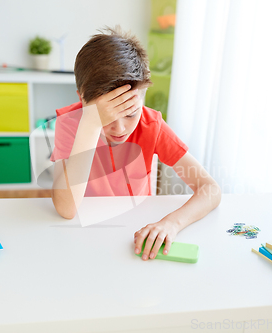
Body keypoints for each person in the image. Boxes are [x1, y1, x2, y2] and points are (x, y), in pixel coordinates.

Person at [51, 26, 221, 261]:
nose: (119, 129)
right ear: (81, 97)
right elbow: (66, 209)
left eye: (130, 113)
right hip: (86, 237)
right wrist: (90, 125)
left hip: (135, 236)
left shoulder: (152, 126)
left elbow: (210, 189)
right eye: (107, 116)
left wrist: (171, 224)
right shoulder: (71, 124)